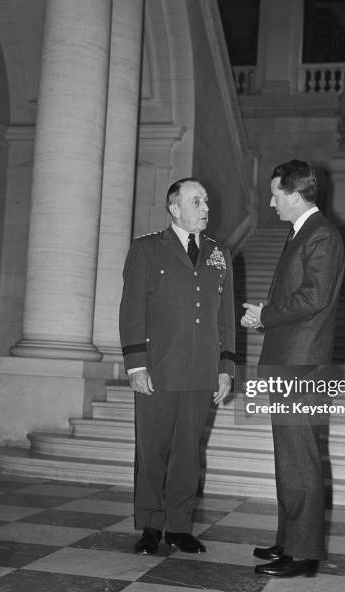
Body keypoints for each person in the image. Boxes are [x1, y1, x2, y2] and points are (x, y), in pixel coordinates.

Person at [120, 178, 235, 555]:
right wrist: (136, 365)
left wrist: (225, 368)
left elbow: (226, 317)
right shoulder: (147, 249)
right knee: (152, 450)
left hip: (201, 371)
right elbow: (132, 310)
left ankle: (180, 528)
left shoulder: (220, 254)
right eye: (196, 201)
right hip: (159, 368)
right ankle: (151, 525)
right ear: (174, 208)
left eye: (206, 201)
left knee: (188, 451)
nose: (205, 208)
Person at [241, 160, 345, 578]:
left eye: (275, 194)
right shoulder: (304, 233)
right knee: (289, 457)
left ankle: (303, 555)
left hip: (302, 366)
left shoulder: (321, 235)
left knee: (299, 458)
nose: (270, 202)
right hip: (290, 362)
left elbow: (313, 298)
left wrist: (266, 314)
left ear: (296, 193)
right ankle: (290, 539)